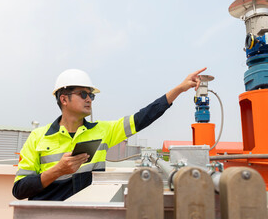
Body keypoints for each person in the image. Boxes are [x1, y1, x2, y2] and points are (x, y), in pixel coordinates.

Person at [12, 67, 207, 200]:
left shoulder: (103, 131)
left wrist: (180, 89)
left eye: (91, 95)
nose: (89, 99)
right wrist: (58, 170)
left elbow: (143, 117)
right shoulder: (38, 137)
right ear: (64, 99)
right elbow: (19, 190)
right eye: (83, 94)